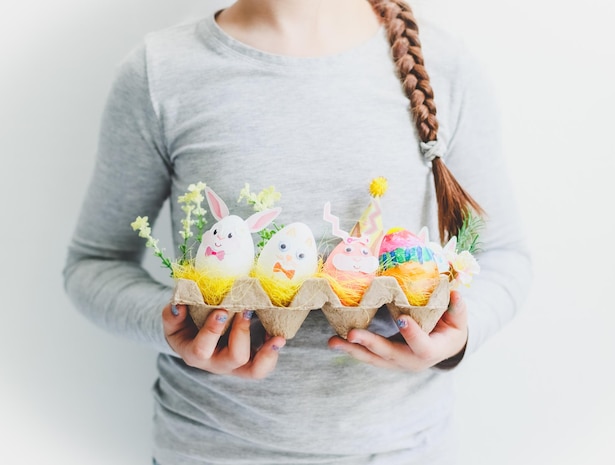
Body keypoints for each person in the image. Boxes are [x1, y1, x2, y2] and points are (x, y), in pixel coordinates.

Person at [63, 0, 532, 463]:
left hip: (402, 446)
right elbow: (94, 263)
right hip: (212, 447)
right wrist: (173, 325)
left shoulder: (445, 66)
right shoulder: (162, 71)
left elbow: (504, 255)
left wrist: (455, 337)